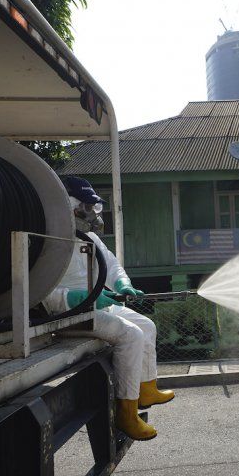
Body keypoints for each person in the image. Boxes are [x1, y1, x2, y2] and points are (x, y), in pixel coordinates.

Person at [43, 177, 174, 441]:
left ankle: (146, 388)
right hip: (68, 317)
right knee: (132, 335)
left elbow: (111, 266)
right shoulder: (46, 240)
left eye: (95, 208)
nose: (92, 215)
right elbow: (41, 295)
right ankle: (126, 413)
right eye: (86, 207)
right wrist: (82, 298)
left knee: (147, 326)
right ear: (67, 205)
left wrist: (124, 285)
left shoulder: (90, 238)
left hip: (95, 308)